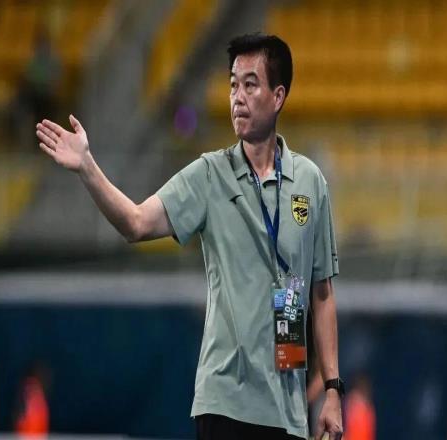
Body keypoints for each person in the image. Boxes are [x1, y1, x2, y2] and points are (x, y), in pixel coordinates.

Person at [36, 33, 343, 440]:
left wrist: (333, 389)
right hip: (224, 404)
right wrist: (87, 167)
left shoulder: (310, 181)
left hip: (289, 413)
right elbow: (135, 223)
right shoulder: (209, 174)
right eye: (233, 84)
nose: (237, 97)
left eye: (251, 85)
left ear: (278, 96)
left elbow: (321, 294)